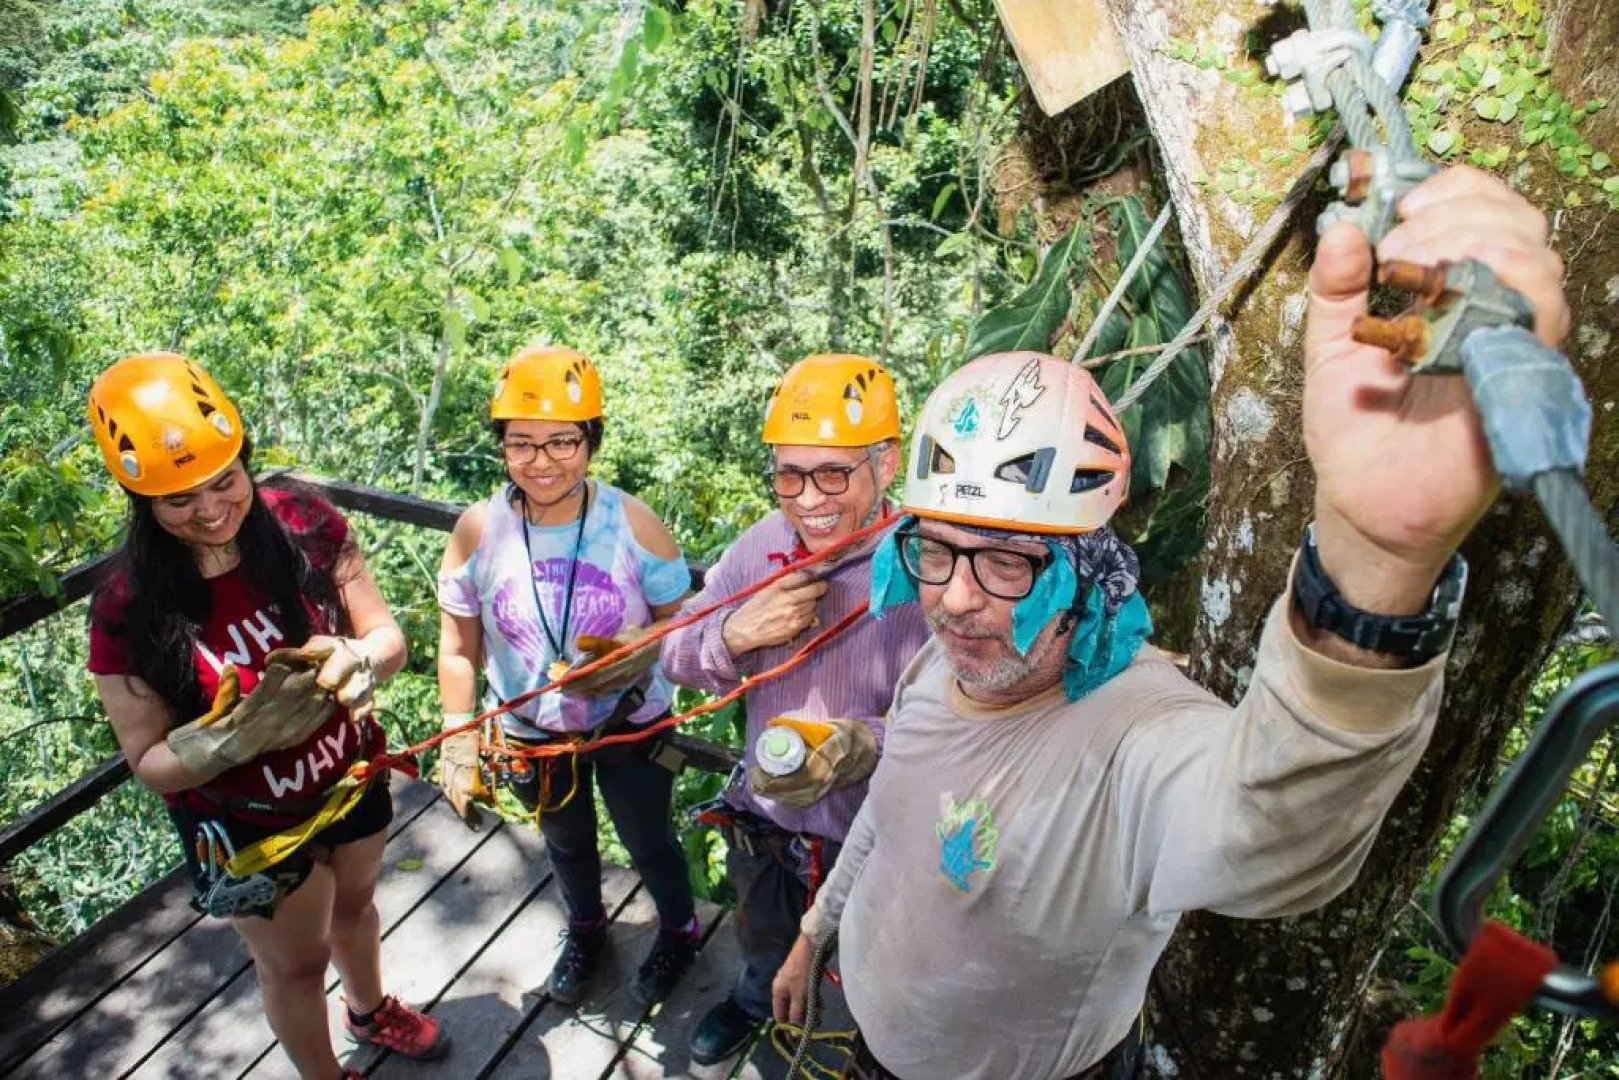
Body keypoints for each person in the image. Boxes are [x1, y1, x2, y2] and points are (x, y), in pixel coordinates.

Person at [772, 167, 1573, 1079]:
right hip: (870, 1039)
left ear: (1086, 574)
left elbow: (1266, 830)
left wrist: (1376, 566)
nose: (955, 599)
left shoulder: (1136, 738)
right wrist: (812, 934)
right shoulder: (941, 669)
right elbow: (889, 816)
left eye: (1006, 561)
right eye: (937, 551)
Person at [86, 353, 446, 1080]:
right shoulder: (129, 606)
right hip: (243, 819)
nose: (212, 508)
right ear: (141, 501)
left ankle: (370, 1009)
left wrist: (359, 658)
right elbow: (147, 760)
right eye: (179, 499)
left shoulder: (305, 525)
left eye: (225, 480)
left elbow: (388, 638)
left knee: (356, 909)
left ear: (247, 461)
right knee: (297, 961)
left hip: (347, 771)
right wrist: (226, 743)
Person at [661, 354, 931, 1065]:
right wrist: (734, 633)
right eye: (789, 474)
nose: (807, 499)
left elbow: (975, 723)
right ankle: (753, 1002)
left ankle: (877, 1044)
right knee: (763, 937)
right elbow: (672, 650)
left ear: (886, 461)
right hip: (771, 825)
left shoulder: (932, 569)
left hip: (878, 841)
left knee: (884, 971)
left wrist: (864, 742)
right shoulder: (760, 548)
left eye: (832, 473)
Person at [435, 343, 700, 1007]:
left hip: (629, 722)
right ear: (500, 445)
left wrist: (643, 643)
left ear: (591, 442)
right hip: (532, 731)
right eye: (521, 443)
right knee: (566, 842)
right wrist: (457, 732)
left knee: (649, 841)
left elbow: (686, 621)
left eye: (562, 442)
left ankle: (679, 927)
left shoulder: (632, 523)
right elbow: (458, 645)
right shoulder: (477, 531)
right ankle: (585, 927)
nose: (542, 461)